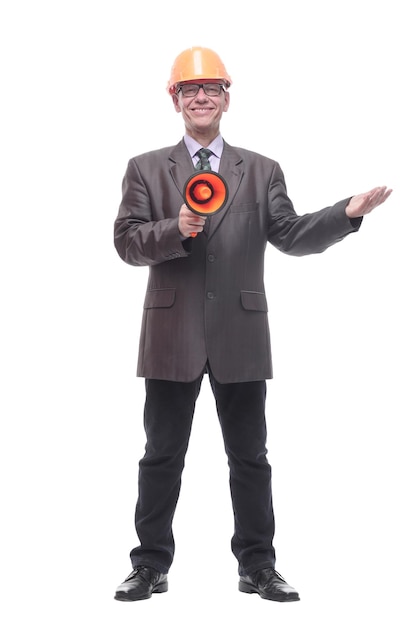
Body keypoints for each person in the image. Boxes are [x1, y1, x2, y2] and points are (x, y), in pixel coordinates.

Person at [113, 46, 392, 603]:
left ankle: (258, 566)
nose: (200, 98)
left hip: (241, 335)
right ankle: (149, 565)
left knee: (250, 456)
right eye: (189, 90)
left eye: (211, 89)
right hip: (172, 337)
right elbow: (126, 243)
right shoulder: (145, 168)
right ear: (175, 100)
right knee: (161, 454)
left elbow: (289, 234)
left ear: (226, 98)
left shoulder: (261, 169)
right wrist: (176, 227)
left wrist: (345, 215)